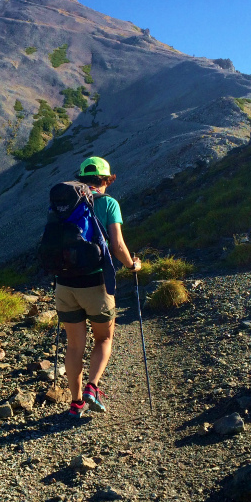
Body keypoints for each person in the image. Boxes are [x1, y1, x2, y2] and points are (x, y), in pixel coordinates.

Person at [54, 156, 141, 417]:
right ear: (106, 180)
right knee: (103, 338)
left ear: (80, 179)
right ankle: (92, 387)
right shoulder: (108, 203)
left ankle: (76, 402)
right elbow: (118, 246)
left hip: (65, 284)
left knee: (74, 346)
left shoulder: (64, 203)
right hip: (95, 283)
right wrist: (132, 265)